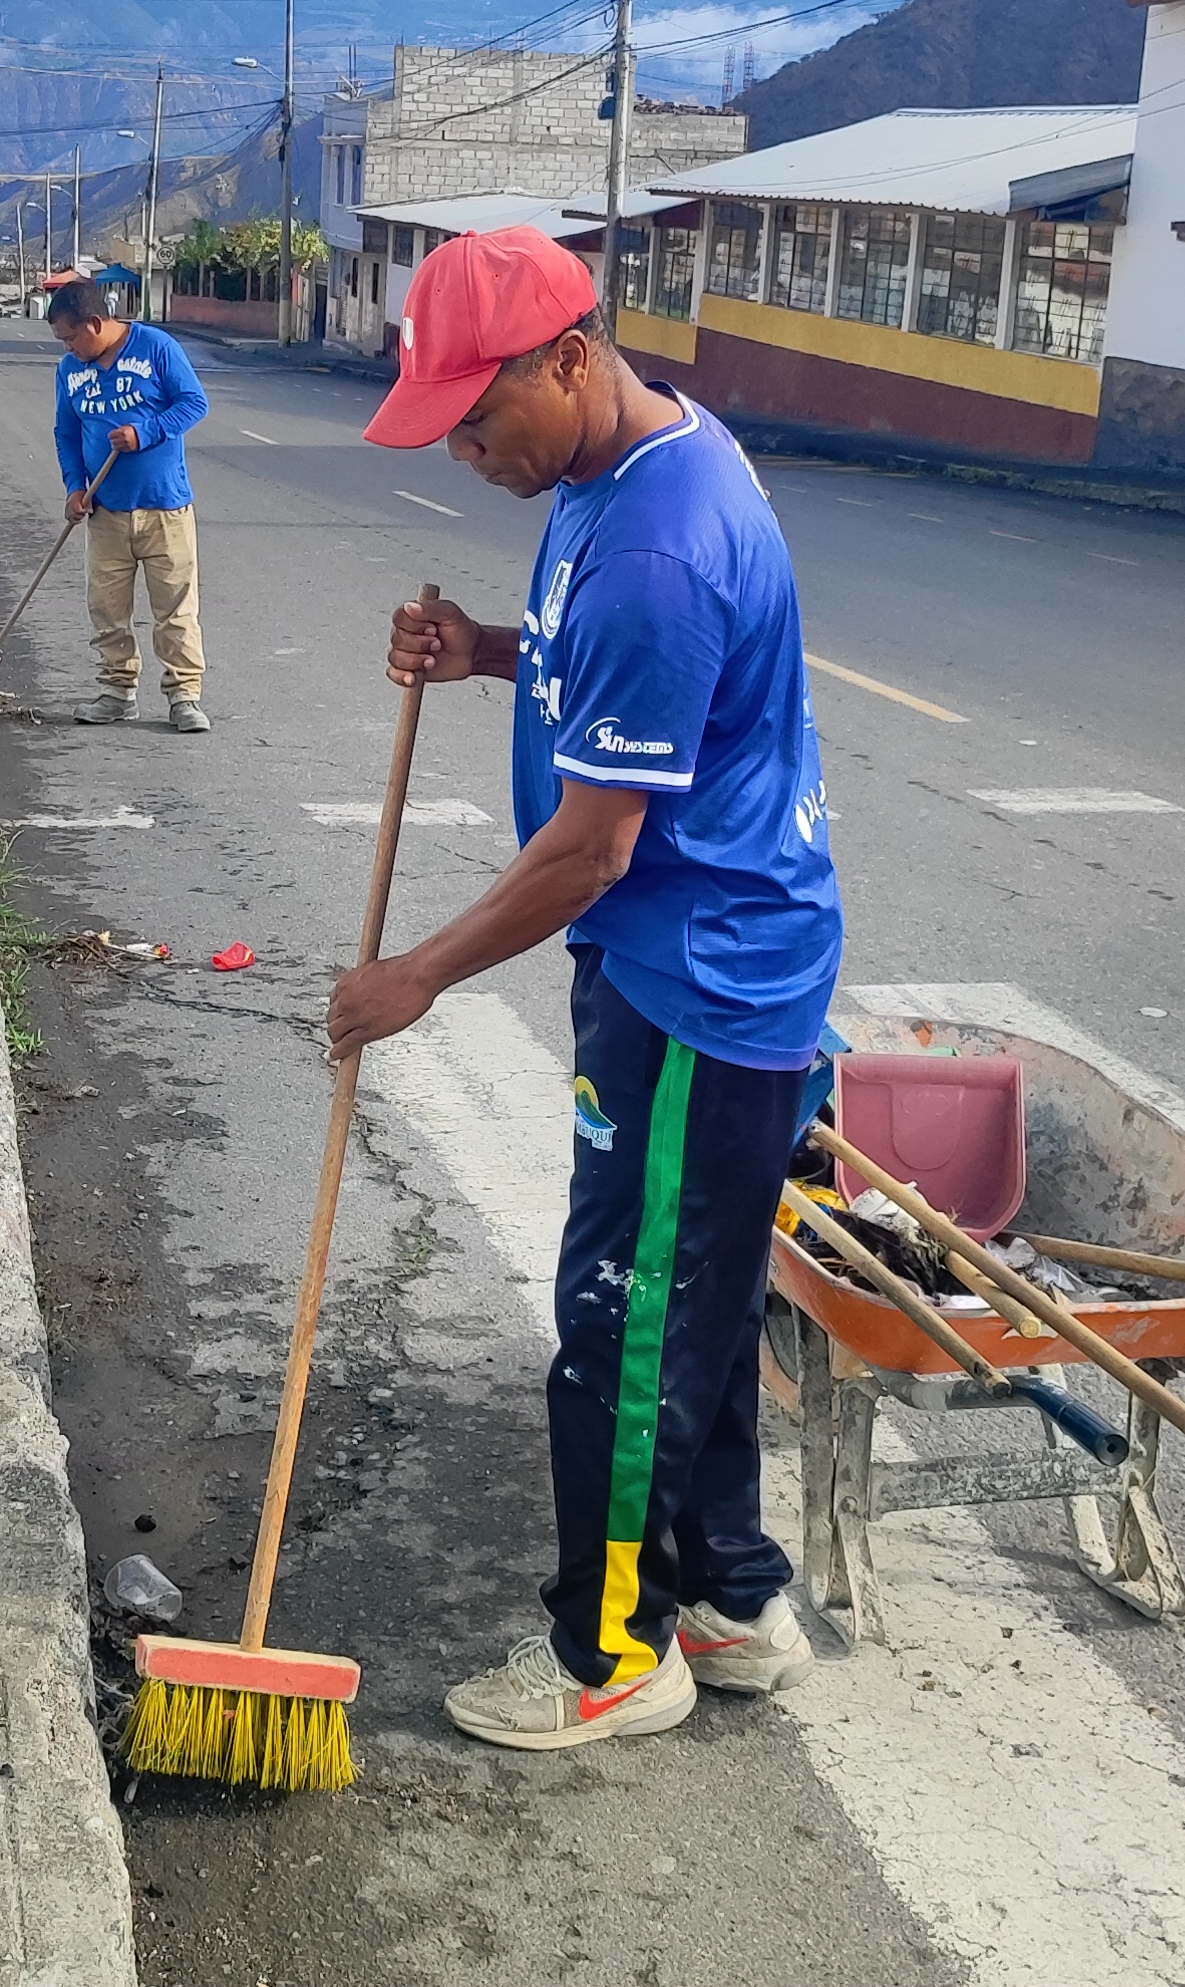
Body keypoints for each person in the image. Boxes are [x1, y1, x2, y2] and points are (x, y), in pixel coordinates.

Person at [328, 224, 845, 1751]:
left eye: (478, 418)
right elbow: (617, 681)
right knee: (699, 1295)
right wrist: (488, 650)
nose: (467, 452)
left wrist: (415, 976)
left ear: (568, 359)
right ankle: (730, 1595)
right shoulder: (622, 461)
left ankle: (612, 1652)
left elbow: (595, 846)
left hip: (697, 979)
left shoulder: (652, 549)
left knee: (621, 1320)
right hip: (699, 954)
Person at [47, 279, 215, 732]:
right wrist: (74, 487)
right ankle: (117, 692)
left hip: (165, 509)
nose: (67, 347)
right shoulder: (69, 370)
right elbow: (66, 433)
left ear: (94, 323)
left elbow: (194, 404)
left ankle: (184, 696)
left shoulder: (156, 347)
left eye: (70, 337)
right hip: (105, 512)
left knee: (175, 610)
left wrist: (145, 433)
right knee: (107, 609)